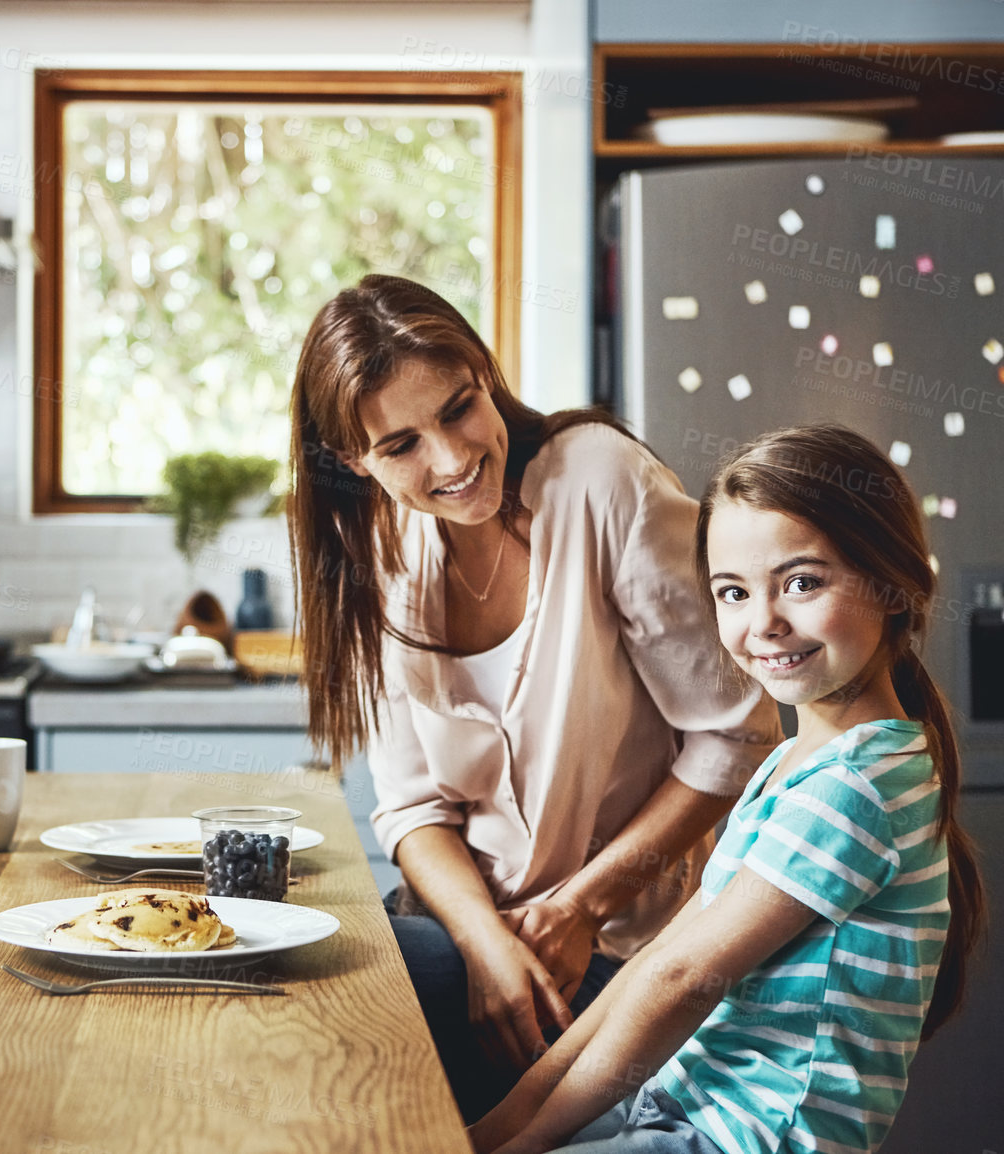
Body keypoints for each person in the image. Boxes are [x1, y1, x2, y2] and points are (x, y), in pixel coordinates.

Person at [287, 275, 780, 1120]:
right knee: (306, 1001)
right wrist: (486, 949)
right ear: (352, 461)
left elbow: (736, 737)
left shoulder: (601, 481)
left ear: (484, 370)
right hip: (470, 934)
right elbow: (411, 810)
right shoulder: (385, 549)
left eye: (457, 407)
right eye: (400, 446)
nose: (450, 458)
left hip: (626, 952)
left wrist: (580, 906)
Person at [469, 424, 987, 1154]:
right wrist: (512, 1115)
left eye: (803, 582)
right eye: (733, 592)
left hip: (750, 1138)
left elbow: (682, 979)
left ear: (893, 584)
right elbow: (657, 958)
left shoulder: (859, 784)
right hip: (680, 1105)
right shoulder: (791, 763)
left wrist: (514, 1148)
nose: (764, 624)